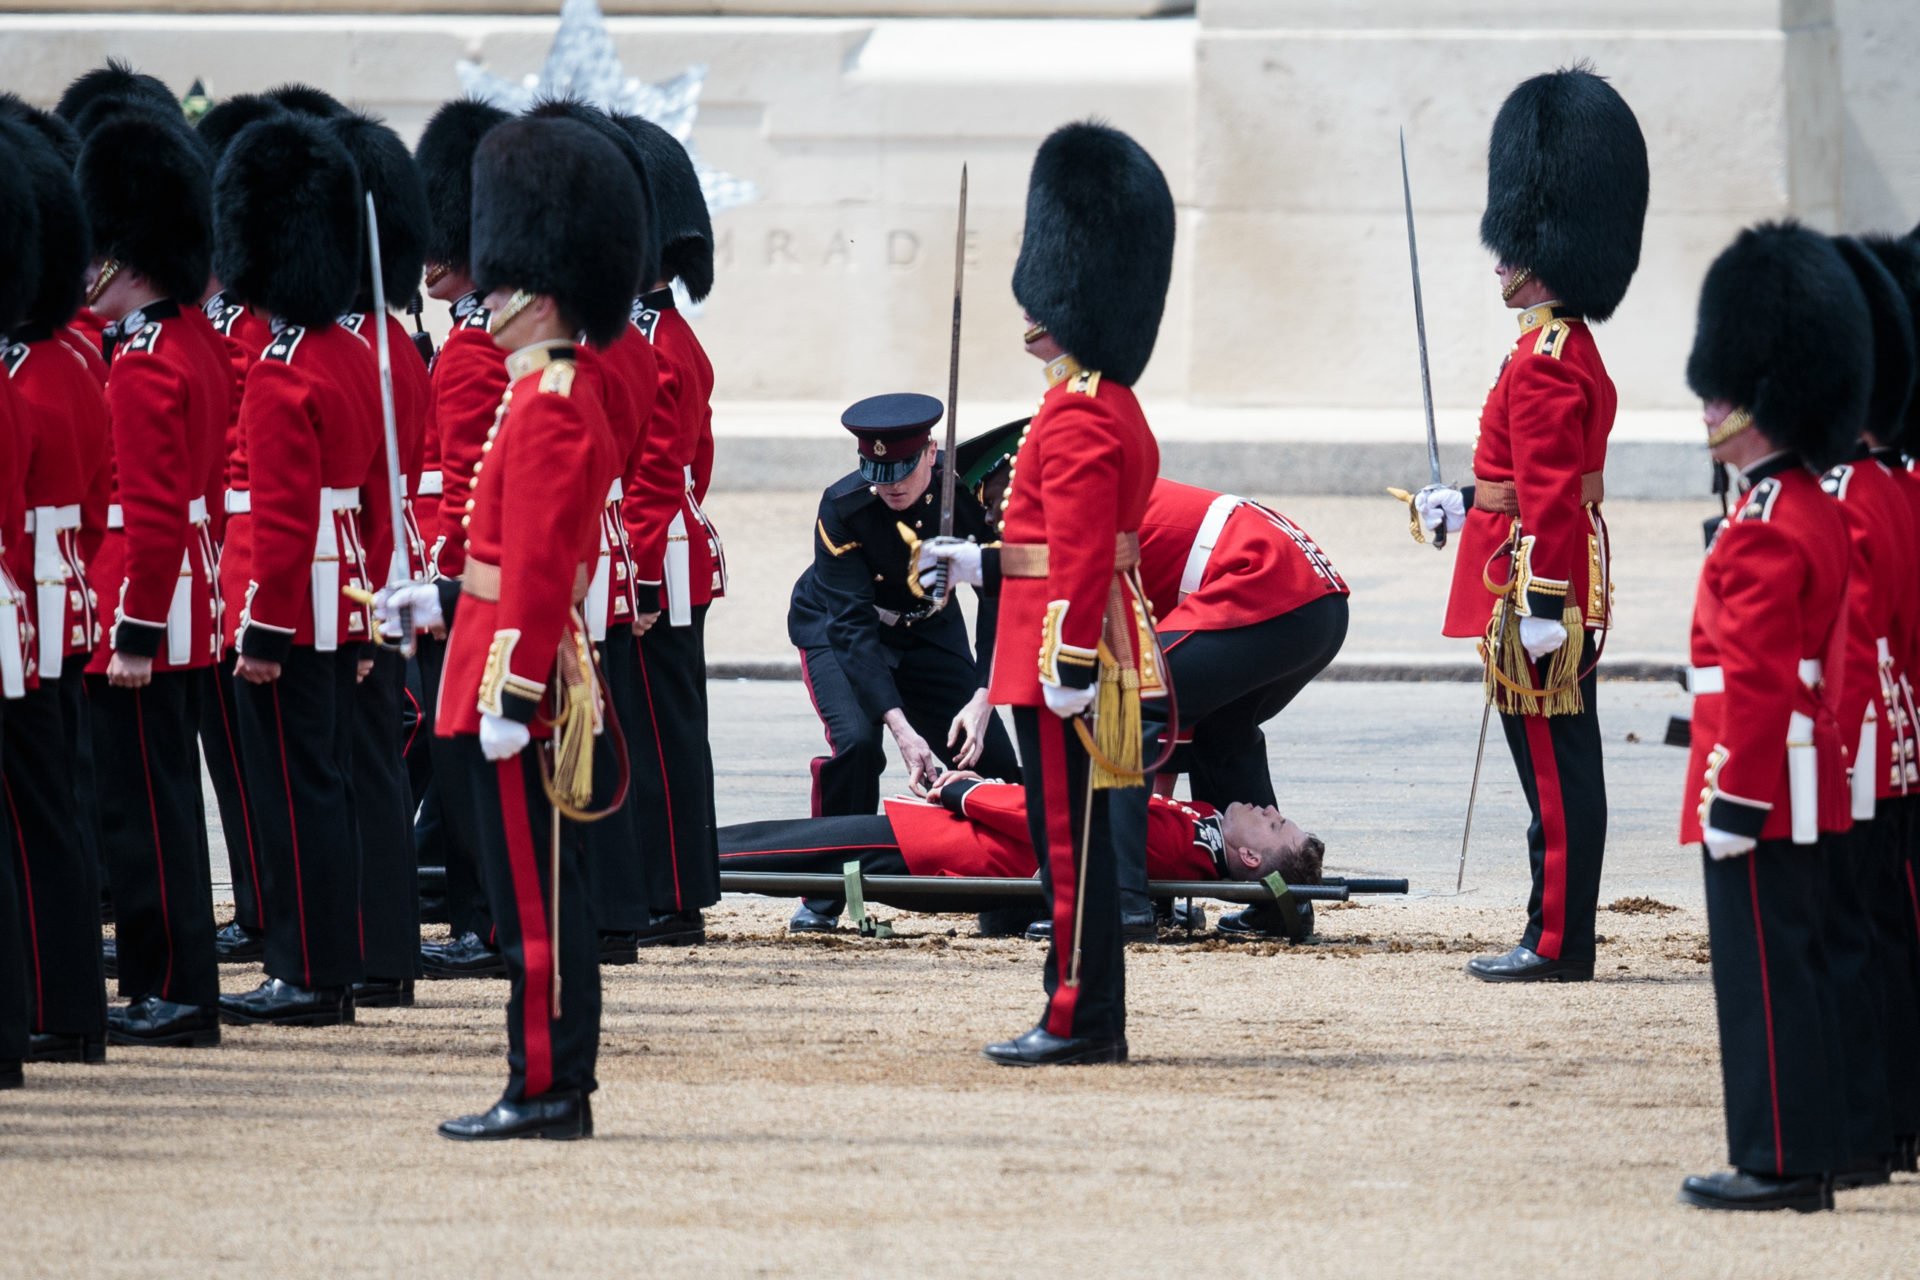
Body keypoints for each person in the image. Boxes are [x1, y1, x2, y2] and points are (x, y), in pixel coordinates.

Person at [378, 114, 646, 1141]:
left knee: (535, 902)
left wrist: (510, 692)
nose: (481, 298)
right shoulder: (539, 394)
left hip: (516, 688)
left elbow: (539, 571)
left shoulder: (550, 402)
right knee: (531, 894)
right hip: (501, 661)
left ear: (536, 288)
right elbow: (507, 560)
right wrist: (438, 603)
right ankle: (546, 1077)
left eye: (498, 283)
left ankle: (546, 1085)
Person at [920, 121, 1173, 1067]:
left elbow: (1072, 556)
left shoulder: (1074, 413)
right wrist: (977, 564)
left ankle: (1078, 1013)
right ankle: (1083, 1006)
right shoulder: (1109, 405)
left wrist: (1063, 662)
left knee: (1067, 845)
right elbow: (1051, 547)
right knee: (1078, 844)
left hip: (1061, 656)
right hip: (1068, 638)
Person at [1407, 66, 1648, 983]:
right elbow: (1525, 480)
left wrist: (1544, 601)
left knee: (1554, 771)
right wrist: (1462, 502)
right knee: (1557, 764)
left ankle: (1557, 942)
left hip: (1536, 581)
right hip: (1541, 562)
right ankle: (1553, 929)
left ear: (1543, 250)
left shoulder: (1546, 358)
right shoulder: (1562, 345)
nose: (1499, 263)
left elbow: (1547, 490)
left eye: (1512, 249)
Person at [1676, 221, 1865, 1213]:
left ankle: (1778, 1157)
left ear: (1755, 403)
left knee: (1765, 979)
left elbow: (1754, 678)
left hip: (1760, 782)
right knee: (1804, 963)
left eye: (1720, 391)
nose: (1706, 406)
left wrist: (1735, 797)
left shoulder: (1762, 526)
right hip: (1805, 778)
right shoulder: (1809, 507)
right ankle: (1811, 1146)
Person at [213, 112, 387, 1027]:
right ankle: (333, 963)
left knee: (290, 797)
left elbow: (279, 521)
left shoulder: (283, 371)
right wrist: (365, 619)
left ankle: (306, 973)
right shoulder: (354, 355)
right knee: (323, 785)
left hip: (287, 603)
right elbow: (375, 499)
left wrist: (265, 630)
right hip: (341, 595)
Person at [72, 85, 232, 1049]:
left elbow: (155, 510)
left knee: (146, 817)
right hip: (183, 600)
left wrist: (131, 630)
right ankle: (172, 982)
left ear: (125, 258)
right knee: (165, 801)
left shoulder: (142, 364)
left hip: (149, 607)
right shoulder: (196, 345)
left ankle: (168, 987)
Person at [784, 394, 1021, 932]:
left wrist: (985, 696)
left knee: (989, 758)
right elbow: (849, 626)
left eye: (901, 471)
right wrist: (901, 728)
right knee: (858, 746)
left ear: (931, 452)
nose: (888, 484)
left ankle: (1009, 895)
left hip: (928, 625)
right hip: (840, 626)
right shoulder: (843, 506)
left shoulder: (970, 494)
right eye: (876, 470)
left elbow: (1000, 596)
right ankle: (824, 890)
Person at [0, 108, 111, 1064]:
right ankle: (62, 999)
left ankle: (53, 1003)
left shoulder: (31, 372)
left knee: (36, 814)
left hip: (27, 605)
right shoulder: (71, 358)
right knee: (55, 808)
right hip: (54, 596)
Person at [1814, 236, 1918, 1188]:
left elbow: (1846, 648)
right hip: (1896, 740)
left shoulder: (1846, 495)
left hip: (1855, 752)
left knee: (1853, 937)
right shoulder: (1892, 485)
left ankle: (1867, 1128)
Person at [330, 106, 436, 1009]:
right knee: (373, 768)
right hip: (375, 569)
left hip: (360, 574)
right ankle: (380, 948)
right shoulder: (389, 341)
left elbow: (364, 489)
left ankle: (368, 950)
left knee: (360, 768)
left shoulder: (355, 348)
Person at [613, 115, 727, 948]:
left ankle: (669, 894)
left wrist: (641, 577)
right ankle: (669, 887)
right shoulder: (657, 333)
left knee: (657, 729)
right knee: (662, 725)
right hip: (666, 548)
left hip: (656, 560)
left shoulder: (650, 341)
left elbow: (655, 477)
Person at [411, 96, 513, 981]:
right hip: (453, 579)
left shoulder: (478, 349)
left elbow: (467, 491)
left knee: (465, 759)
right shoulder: (467, 339)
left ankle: (484, 921)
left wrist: (444, 584)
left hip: (464, 586)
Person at [719, 773, 1322, 904]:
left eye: (1273, 824)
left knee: (783, 846)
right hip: (965, 834)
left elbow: (1055, 814)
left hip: (958, 844)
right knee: (791, 840)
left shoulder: (1179, 845)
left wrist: (967, 793)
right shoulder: (1198, 828)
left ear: (1246, 856)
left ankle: (676, 864)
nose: (1269, 808)